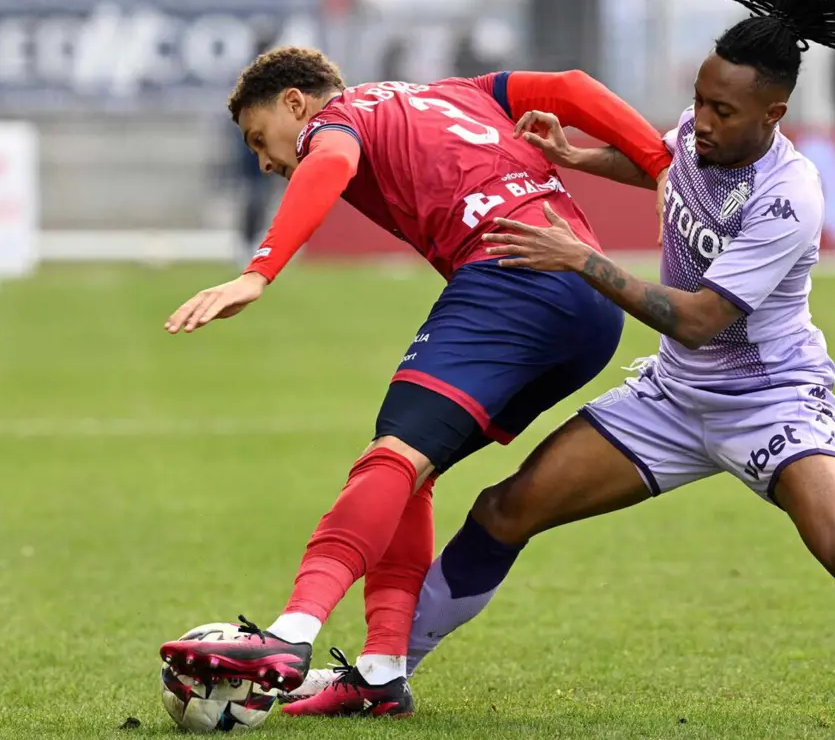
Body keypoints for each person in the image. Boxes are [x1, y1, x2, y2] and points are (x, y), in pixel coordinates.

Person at [324, 0, 835, 720]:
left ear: (774, 116)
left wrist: (578, 257)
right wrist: (575, 156)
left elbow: (693, 317)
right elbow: (667, 164)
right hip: (676, 395)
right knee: (504, 509)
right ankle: (378, 676)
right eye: (700, 100)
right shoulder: (702, 129)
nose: (704, 121)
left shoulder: (790, 199)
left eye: (724, 111)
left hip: (771, 403)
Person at [158, 51, 673, 717]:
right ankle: (380, 673)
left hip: (512, 278)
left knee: (391, 457)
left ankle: (291, 634)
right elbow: (571, 86)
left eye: (261, 139)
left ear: (295, 104)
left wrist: (259, 271)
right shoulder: (465, 92)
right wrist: (660, 162)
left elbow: (330, 162)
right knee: (411, 469)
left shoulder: (335, 120)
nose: (264, 160)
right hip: (592, 304)